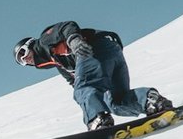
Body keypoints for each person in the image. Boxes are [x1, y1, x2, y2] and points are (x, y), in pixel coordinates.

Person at [13, 21, 173, 130]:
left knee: (85, 88)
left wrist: (74, 40)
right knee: (115, 101)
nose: (25, 59)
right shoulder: (59, 63)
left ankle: (97, 119)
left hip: (95, 48)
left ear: (30, 45)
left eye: (23, 53)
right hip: (113, 52)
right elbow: (74, 81)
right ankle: (151, 101)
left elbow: (66, 26)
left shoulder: (43, 41)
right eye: (21, 61)